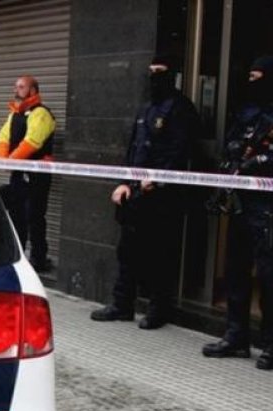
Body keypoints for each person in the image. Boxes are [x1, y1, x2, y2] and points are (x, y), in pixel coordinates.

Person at [201, 55, 273, 370]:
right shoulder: (248, 112)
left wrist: (264, 164)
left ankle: (272, 344)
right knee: (236, 270)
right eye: (249, 76)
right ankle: (236, 337)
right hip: (240, 203)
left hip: (271, 206)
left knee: (268, 276)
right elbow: (231, 147)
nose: (253, 82)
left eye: (258, 76)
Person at [90, 55, 198, 329]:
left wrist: (157, 179)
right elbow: (132, 149)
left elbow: (179, 150)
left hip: (162, 196)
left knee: (159, 253)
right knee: (127, 250)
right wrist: (124, 181)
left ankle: (158, 310)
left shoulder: (181, 108)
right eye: (150, 71)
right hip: (135, 193)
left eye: (159, 72)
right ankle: (122, 304)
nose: (153, 77)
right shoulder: (146, 108)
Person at [0, 75, 57, 272]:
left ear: (33, 91)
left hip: (37, 175)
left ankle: (39, 259)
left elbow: (33, 141)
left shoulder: (41, 113)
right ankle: (19, 256)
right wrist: (2, 160)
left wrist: (10, 161)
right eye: (16, 86)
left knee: (35, 216)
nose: (17, 90)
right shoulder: (14, 114)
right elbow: (3, 137)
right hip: (18, 173)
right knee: (16, 216)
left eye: (21, 87)